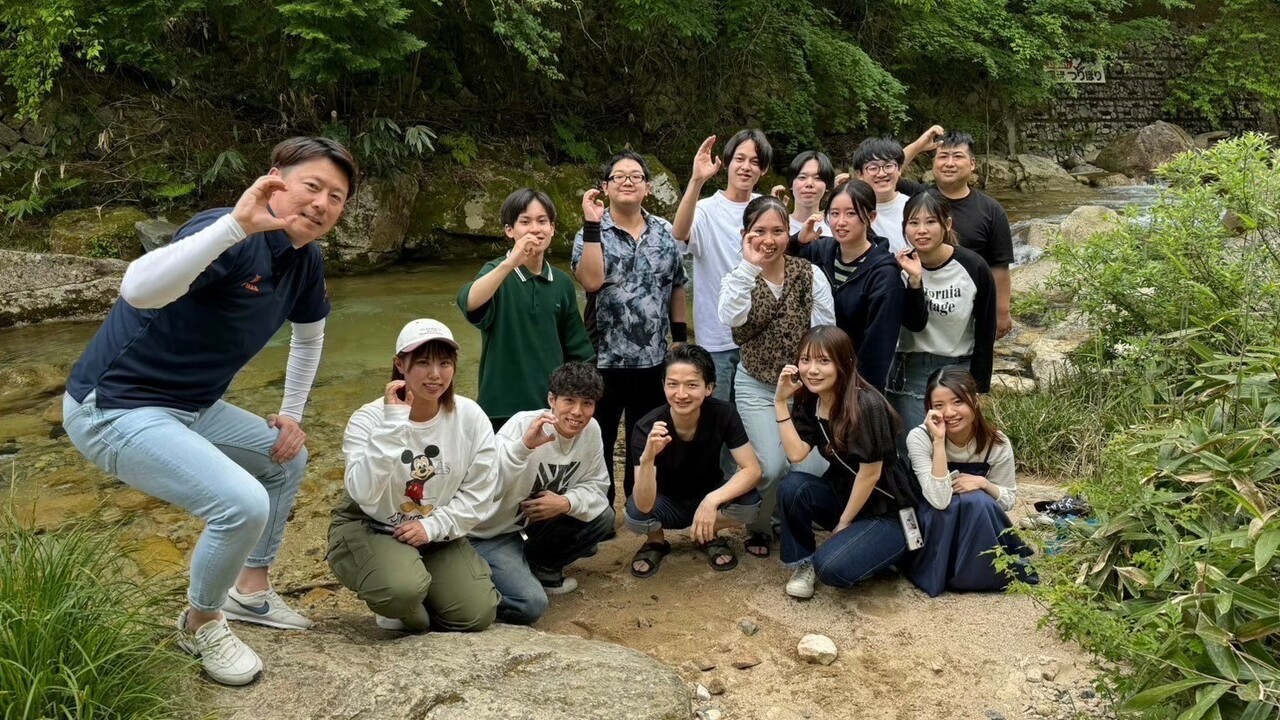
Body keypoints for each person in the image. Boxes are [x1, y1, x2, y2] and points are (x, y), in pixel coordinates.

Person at [61, 136, 354, 686]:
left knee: (285, 457)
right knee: (240, 504)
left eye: (336, 197)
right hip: (112, 406)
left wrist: (291, 413)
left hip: (191, 406)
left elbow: (310, 338)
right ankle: (200, 621)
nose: (321, 204)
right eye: (312, 186)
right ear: (276, 180)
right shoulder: (228, 232)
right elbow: (138, 289)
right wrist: (236, 226)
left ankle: (251, 593)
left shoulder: (304, 261)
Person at [327, 319, 500, 634]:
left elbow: (479, 494)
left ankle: (418, 587)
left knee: (477, 613)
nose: (435, 374)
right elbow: (363, 493)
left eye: (444, 363)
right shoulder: (368, 419)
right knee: (404, 596)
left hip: (431, 528)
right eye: (422, 362)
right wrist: (393, 424)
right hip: (371, 524)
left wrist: (431, 527)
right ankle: (404, 598)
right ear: (399, 364)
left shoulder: (470, 417)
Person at [718, 195, 835, 557]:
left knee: (811, 461)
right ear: (745, 234)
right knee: (769, 465)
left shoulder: (809, 273)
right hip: (755, 384)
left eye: (778, 231)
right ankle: (758, 526)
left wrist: (816, 376)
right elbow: (730, 318)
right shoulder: (738, 278)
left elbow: (826, 328)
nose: (768, 239)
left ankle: (789, 519)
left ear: (790, 233)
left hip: (804, 388)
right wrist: (750, 267)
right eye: (759, 231)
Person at [572, 151, 688, 504]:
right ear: (605, 187)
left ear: (647, 187)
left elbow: (677, 285)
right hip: (603, 357)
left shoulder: (664, 233)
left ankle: (640, 506)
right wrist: (592, 225)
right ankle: (600, 509)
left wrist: (679, 340)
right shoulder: (589, 232)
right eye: (618, 176)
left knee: (644, 438)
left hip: (652, 358)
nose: (627, 181)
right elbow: (591, 282)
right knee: (600, 437)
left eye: (635, 176)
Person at [773, 326, 923, 599]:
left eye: (823, 361)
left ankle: (883, 551)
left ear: (845, 363)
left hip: (888, 509)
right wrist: (781, 402)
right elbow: (796, 454)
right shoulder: (811, 400)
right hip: (846, 496)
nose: (812, 370)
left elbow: (871, 474)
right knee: (792, 486)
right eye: (805, 360)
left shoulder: (867, 404)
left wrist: (843, 524)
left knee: (830, 568)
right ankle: (803, 563)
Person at [469, 362, 614, 625]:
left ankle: (541, 568)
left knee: (603, 516)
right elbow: (486, 485)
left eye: (587, 403)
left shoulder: (591, 430)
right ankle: (468, 587)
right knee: (531, 604)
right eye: (568, 401)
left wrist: (566, 502)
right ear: (551, 400)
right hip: (490, 532)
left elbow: (597, 485)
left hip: (530, 527)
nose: (577, 412)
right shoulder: (524, 425)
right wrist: (523, 447)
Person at [458, 188, 595, 432]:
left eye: (542, 221)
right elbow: (469, 302)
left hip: (549, 407)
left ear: (552, 228)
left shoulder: (562, 284)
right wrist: (510, 263)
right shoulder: (496, 272)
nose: (535, 228)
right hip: (500, 407)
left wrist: (576, 401)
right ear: (509, 230)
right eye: (525, 221)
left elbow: (577, 350)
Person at [626, 343, 763, 577]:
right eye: (673, 384)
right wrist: (648, 458)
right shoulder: (647, 428)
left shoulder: (724, 413)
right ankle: (656, 542)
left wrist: (711, 501)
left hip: (707, 492)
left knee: (750, 502)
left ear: (709, 388)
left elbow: (752, 470)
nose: (681, 394)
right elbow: (645, 504)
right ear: (663, 386)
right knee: (635, 513)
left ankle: (707, 533)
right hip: (665, 501)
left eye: (692, 385)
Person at [904, 367, 1034, 596]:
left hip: (978, 525)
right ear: (928, 409)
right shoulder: (919, 437)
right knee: (968, 503)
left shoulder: (997, 443)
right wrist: (938, 441)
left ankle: (975, 573)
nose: (950, 412)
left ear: (974, 401)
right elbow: (939, 500)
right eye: (939, 405)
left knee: (977, 501)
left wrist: (984, 484)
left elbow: (1008, 501)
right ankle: (953, 571)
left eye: (957, 402)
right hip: (932, 522)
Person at [672, 129, 772, 406]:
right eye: (740, 158)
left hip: (760, 336)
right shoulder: (706, 209)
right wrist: (696, 180)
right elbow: (680, 233)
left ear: (762, 170)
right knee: (717, 417)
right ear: (726, 163)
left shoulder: (767, 208)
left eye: (754, 161)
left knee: (754, 421)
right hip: (716, 338)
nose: (746, 166)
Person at [889, 193, 996, 436]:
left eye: (931, 222)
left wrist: (979, 387)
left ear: (947, 225)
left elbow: (985, 329)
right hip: (909, 367)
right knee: (911, 447)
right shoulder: (898, 268)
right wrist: (915, 281)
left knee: (955, 445)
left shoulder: (973, 266)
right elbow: (914, 324)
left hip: (957, 366)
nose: (921, 230)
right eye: (914, 223)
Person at [898, 130, 1014, 338]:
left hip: (968, 309)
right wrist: (918, 144)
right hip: (919, 304)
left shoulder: (991, 210)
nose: (949, 163)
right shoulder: (918, 198)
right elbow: (886, 174)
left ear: (972, 164)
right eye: (943, 156)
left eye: (957, 156)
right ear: (933, 163)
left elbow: (999, 265)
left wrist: (1002, 312)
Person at [791, 180, 904, 393]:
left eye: (851, 214)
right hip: (814, 375)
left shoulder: (885, 274)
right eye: (834, 214)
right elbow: (779, 262)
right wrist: (798, 240)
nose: (840, 222)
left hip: (856, 383)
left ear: (870, 218)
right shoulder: (820, 251)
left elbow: (878, 345)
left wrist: (860, 393)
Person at [771, 150, 833, 238]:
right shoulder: (777, 225)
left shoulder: (835, 226)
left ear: (827, 186)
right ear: (791, 183)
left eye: (817, 178)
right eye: (802, 177)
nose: (809, 184)